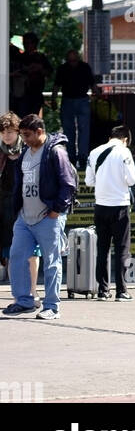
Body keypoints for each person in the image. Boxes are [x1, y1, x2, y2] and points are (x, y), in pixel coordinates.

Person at [2, 114, 77, 320]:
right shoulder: (26, 151)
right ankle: (24, 300)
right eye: (22, 135)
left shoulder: (55, 151)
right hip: (25, 217)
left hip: (48, 217)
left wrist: (56, 211)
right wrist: (19, 211)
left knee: (51, 262)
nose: (23, 139)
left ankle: (52, 306)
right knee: (17, 257)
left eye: (27, 135)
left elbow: (68, 184)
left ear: (39, 132)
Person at [85, 124, 135, 301]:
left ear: (110, 137)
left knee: (102, 249)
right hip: (120, 206)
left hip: (100, 206)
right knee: (122, 249)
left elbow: (89, 181)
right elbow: (132, 179)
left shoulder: (94, 152)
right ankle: (122, 291)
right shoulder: (124, 152)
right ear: (125, 140)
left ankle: (102, 290)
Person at [0, 112, 39, 297]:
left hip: (25, 206)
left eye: (9, 131)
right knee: (9, 253)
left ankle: (32, 291)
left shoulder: (27, 150)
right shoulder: (0, 152)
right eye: (2, 132)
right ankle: (18, 293)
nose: (6, 135)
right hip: (3, 207)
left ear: (17, 132)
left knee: (31, 252)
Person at [52, 48, 96, 170]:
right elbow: (93, 84)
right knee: (74, 130)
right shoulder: (78, 67)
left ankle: (80, 156)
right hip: (73, 100)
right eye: (71, 61)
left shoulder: (78, 67)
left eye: (74, 60)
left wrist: (54, 99)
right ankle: (75, 156)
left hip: (77, 100)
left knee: (76, 130)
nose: (73, 63)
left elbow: (56, 85)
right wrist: (53, 99)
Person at [12, 34, 53, 118]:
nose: (26, 45)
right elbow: (15, 71)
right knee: (21, 119)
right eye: (25, 43)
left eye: (29, 43)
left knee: (33, 120)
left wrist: (40, 68)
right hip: (21, 94)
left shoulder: (41, 58)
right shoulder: (19, 57)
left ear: (34, 44)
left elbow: (49, 72)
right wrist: (25, 70)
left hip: (36, 94)